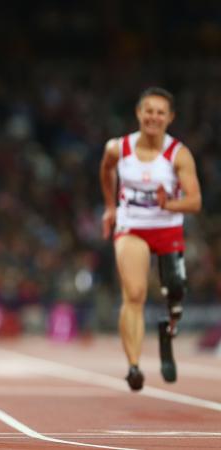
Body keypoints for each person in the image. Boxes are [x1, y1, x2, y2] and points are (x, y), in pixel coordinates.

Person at [100, 87, 201, 392]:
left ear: (170, 118)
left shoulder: (178, 154)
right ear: (138, 113)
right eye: (149, 111)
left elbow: (195, 202)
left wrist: (168, 204)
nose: (153, 117)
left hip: (167, 227)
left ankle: (168, 330)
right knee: (135, 292)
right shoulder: (119, 149)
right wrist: (109, 207)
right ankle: (133, 366)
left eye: (160, 113)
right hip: (132, 227)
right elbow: (106, 171)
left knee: (176, 295)